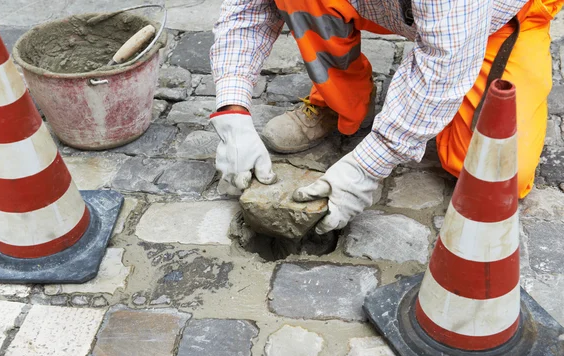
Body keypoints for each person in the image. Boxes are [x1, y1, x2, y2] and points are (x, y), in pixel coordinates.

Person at [209, 0, 563, 234]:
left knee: (498, 172)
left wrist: (366, 168)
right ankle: (342, 103)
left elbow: (446, 64)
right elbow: (251, 6)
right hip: (391, 7)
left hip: (493, 20)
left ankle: (435, 109)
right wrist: (232, 109)